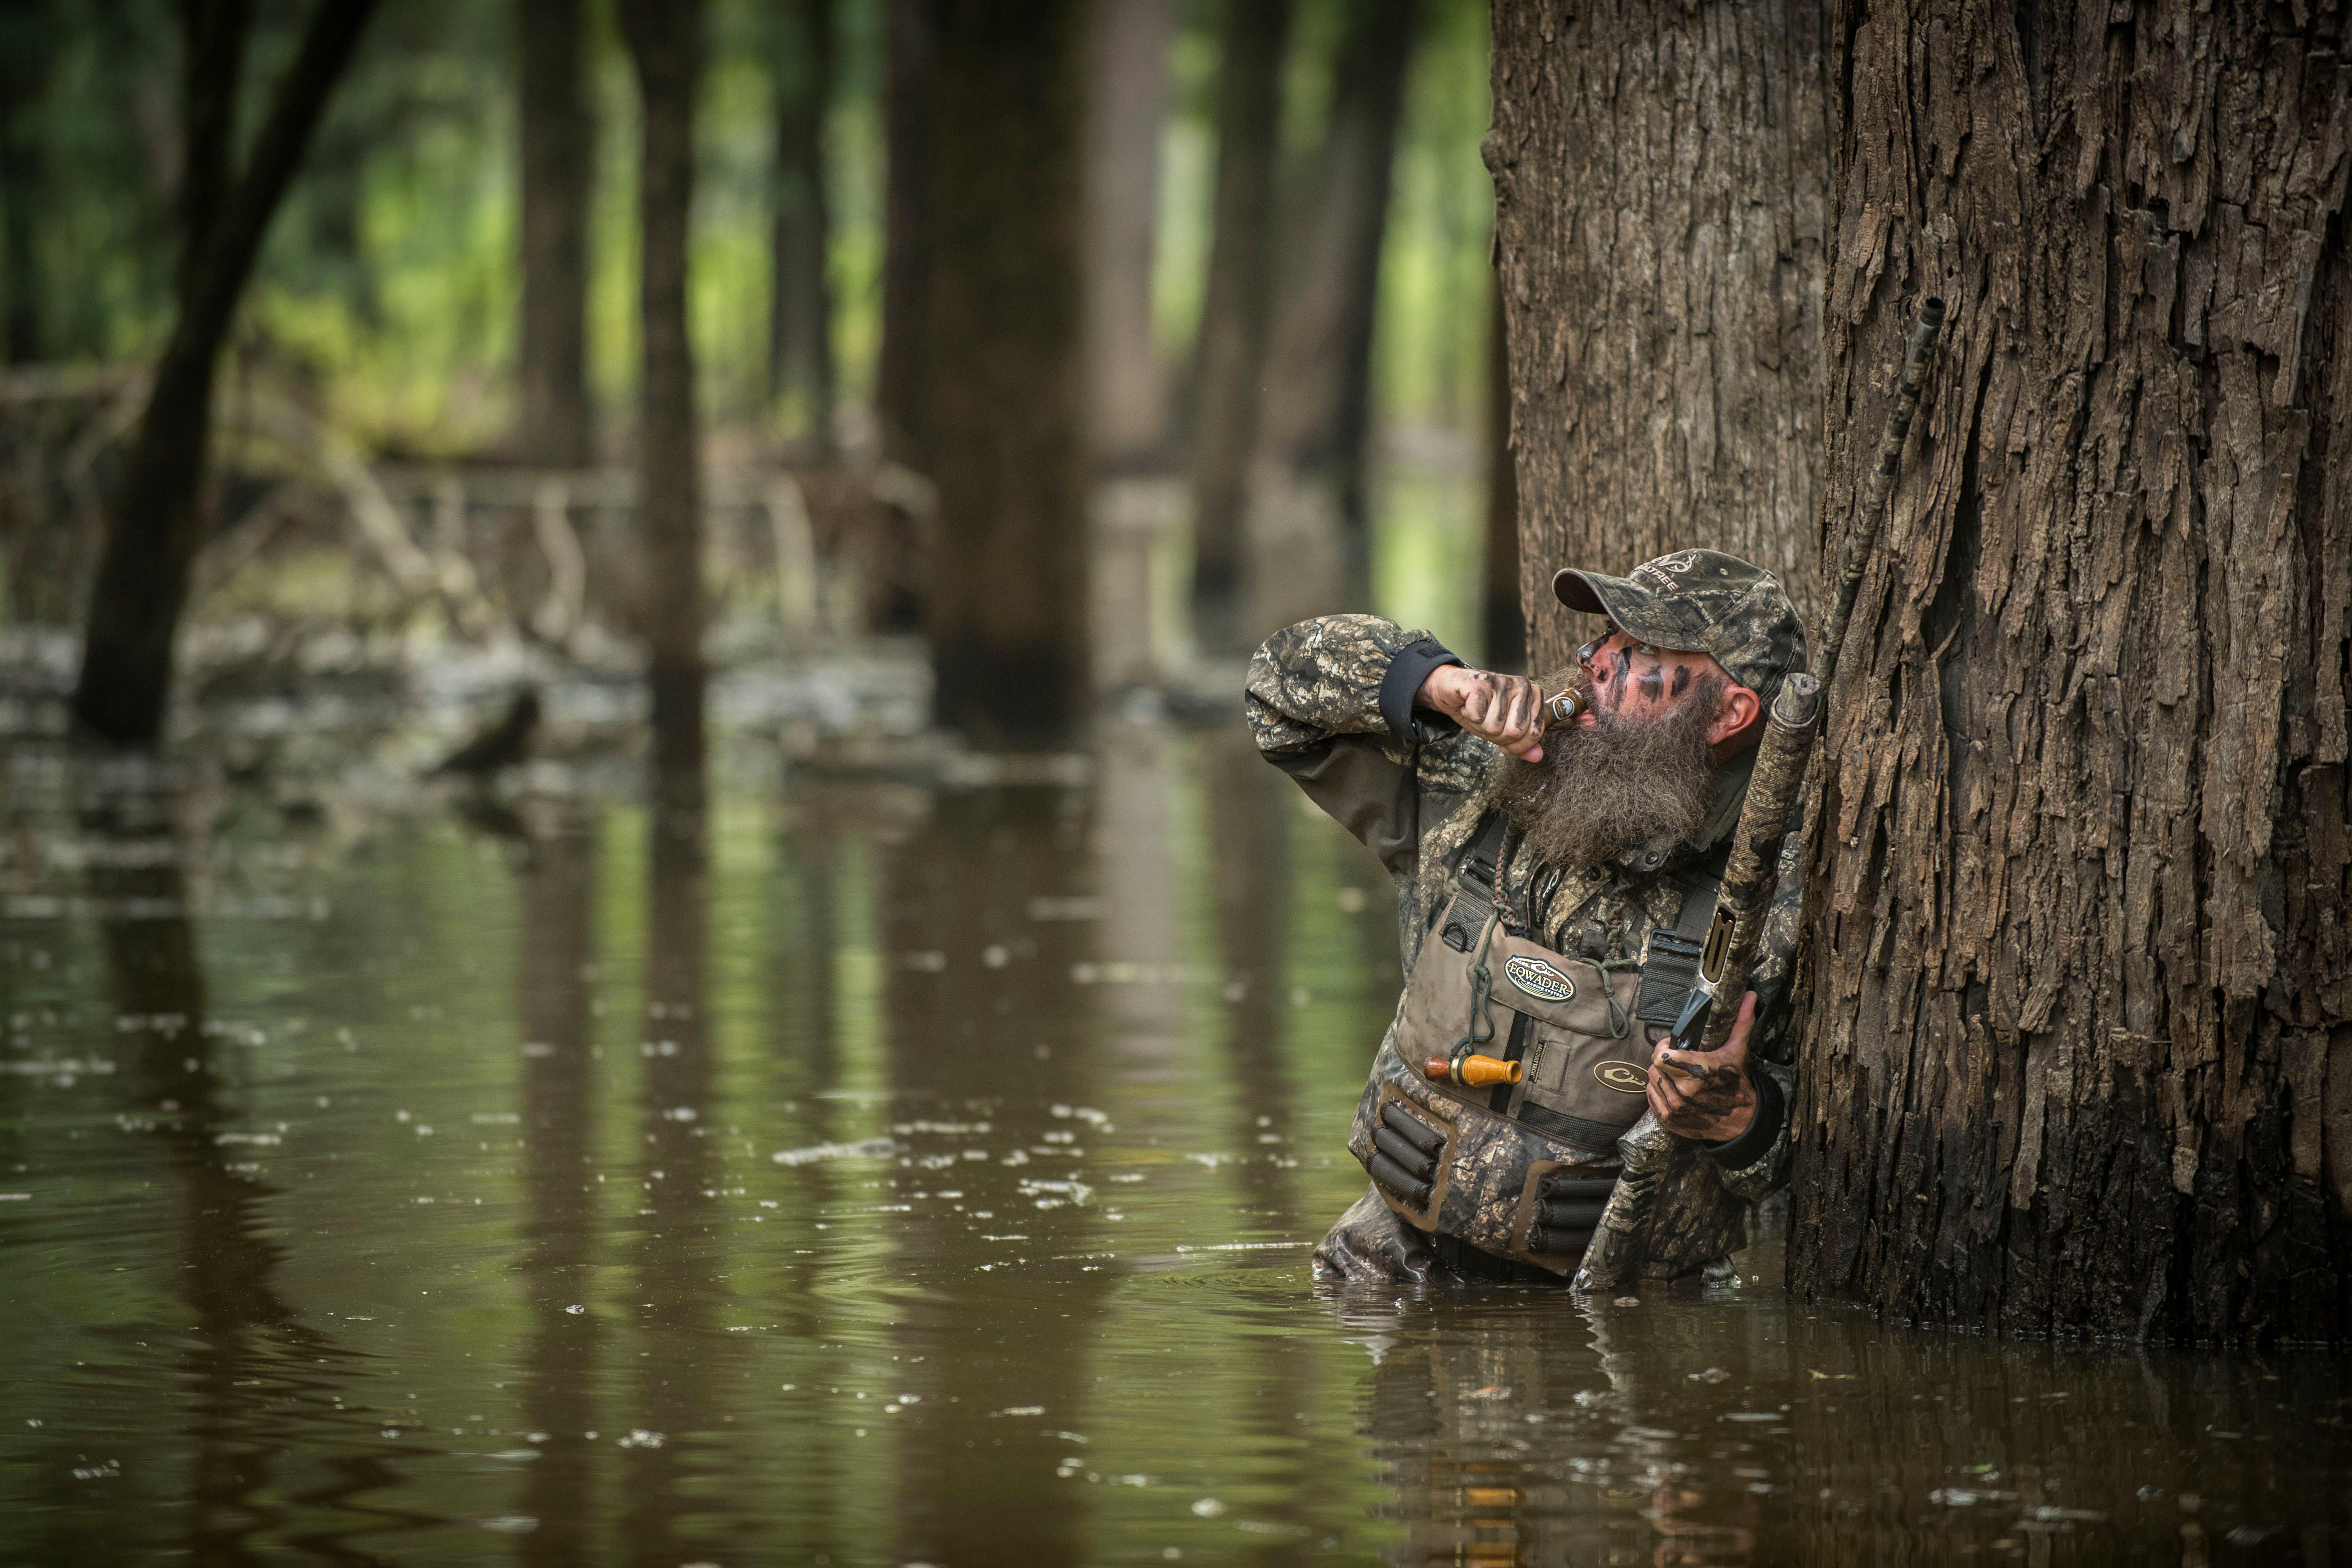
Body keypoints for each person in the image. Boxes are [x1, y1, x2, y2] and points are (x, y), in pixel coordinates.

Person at [1245, 548, 1807, 1283]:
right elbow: (1276, 692)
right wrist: (1438, 684)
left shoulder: (1777, 891)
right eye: (1603, 637)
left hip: (1606, 1324)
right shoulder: (1477, 784)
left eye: (1637, 652)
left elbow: (1802, 1154)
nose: (1592, 659)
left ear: (1730, 713)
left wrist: (1737, 1118)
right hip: (1381, 1283)